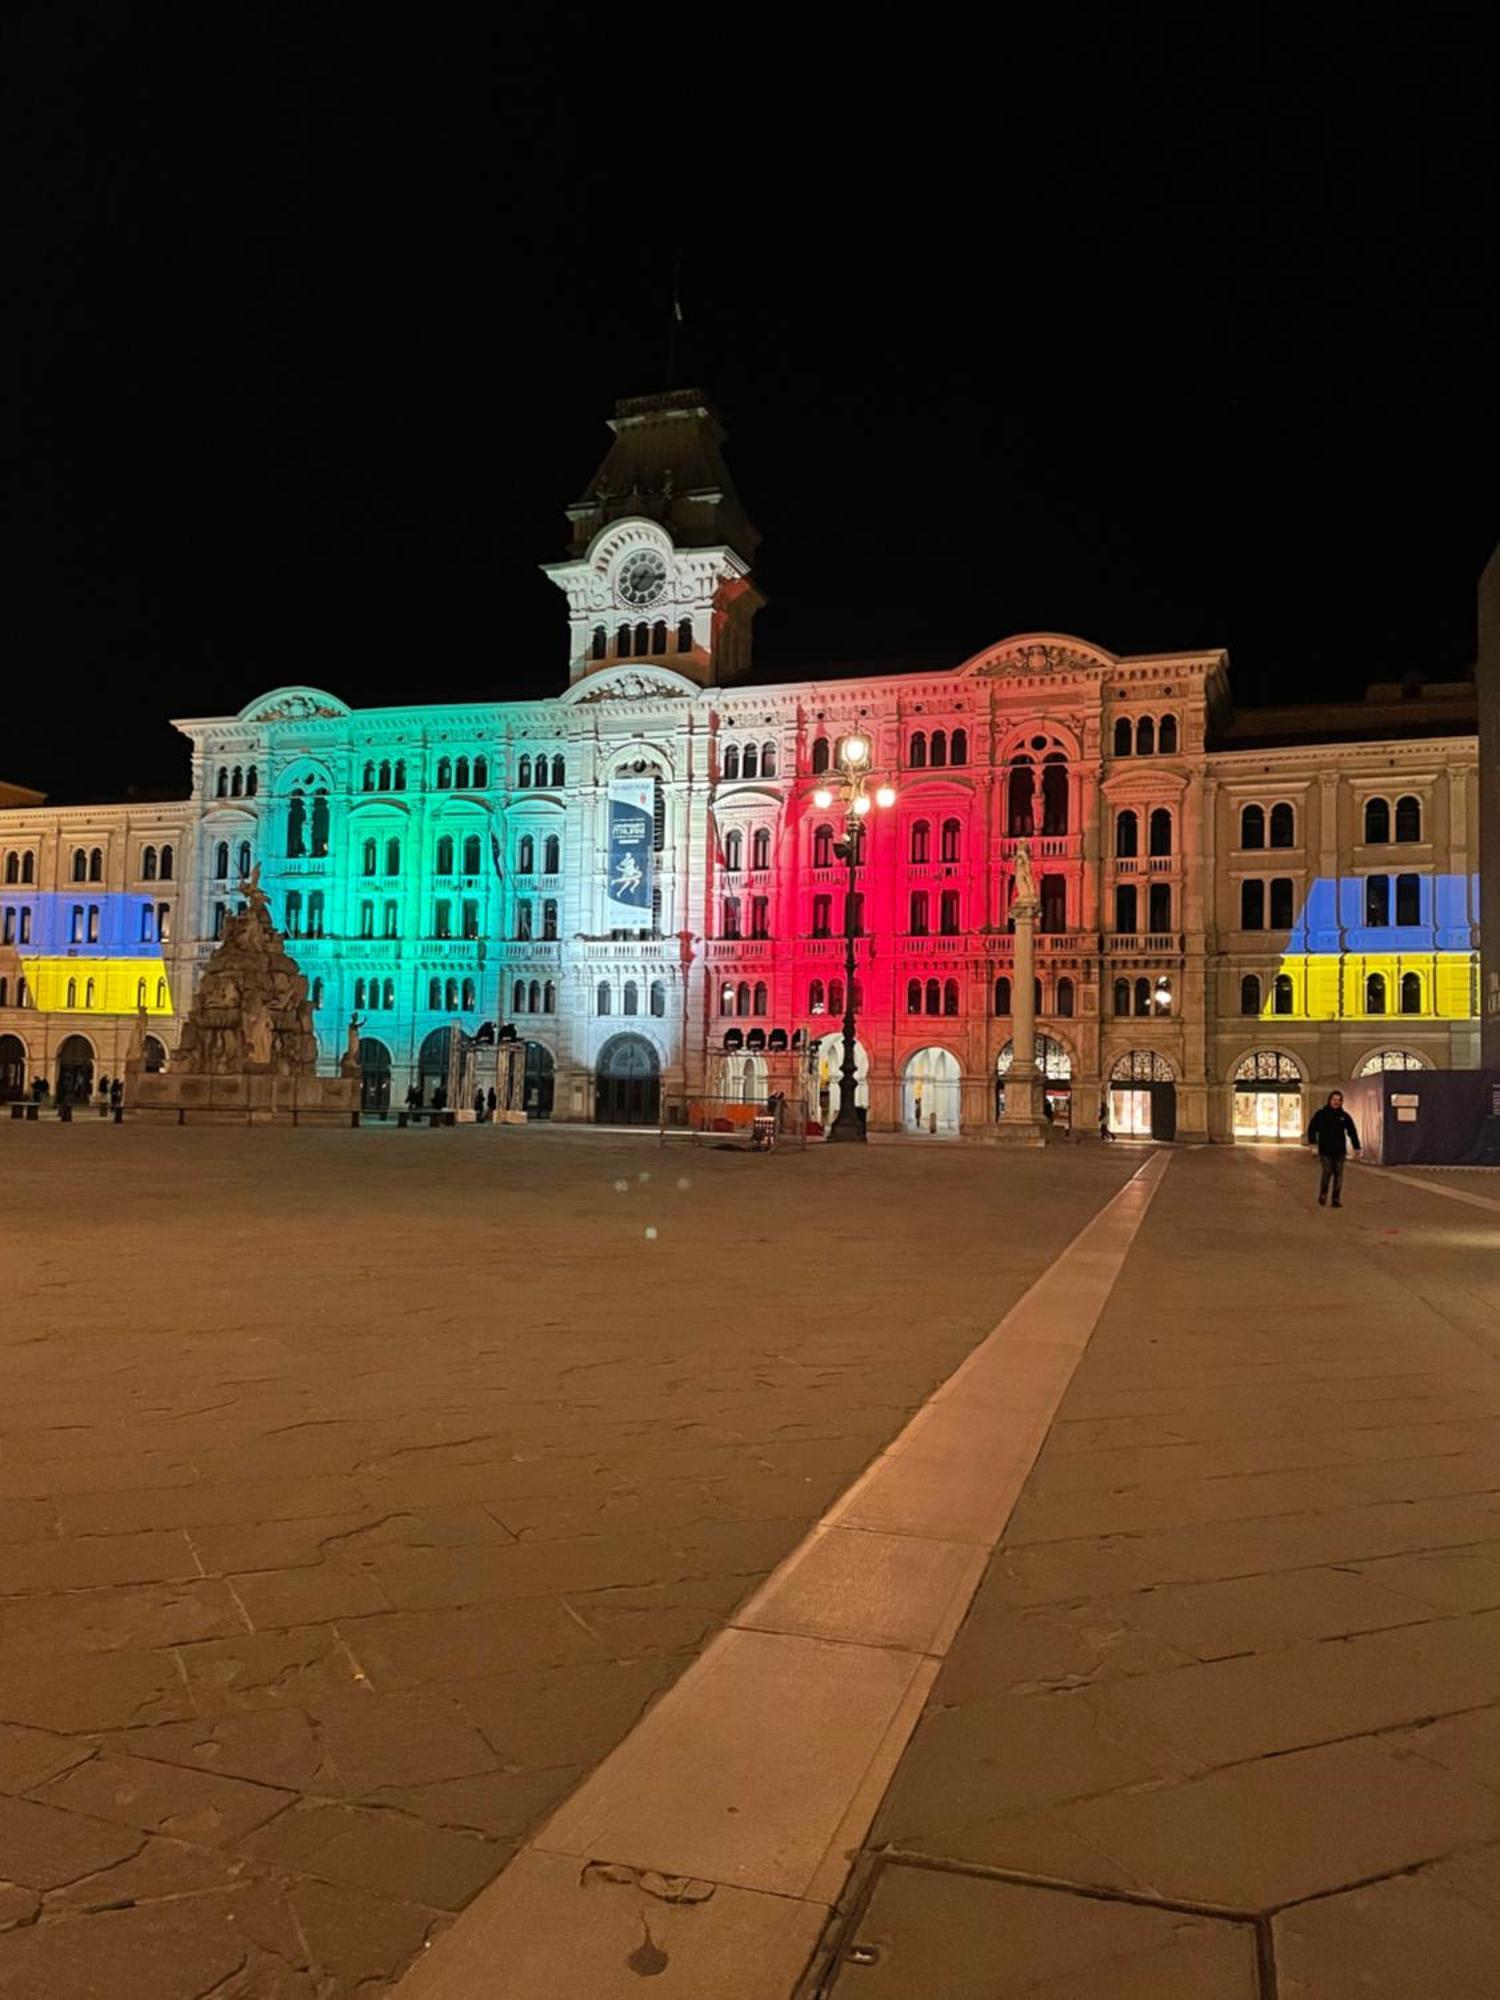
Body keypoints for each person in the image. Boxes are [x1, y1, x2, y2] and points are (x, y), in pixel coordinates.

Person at [1306, 1090, 1360, 1207]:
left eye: (1338, 1100)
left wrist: (1357, 1147)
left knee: (1339, 1175)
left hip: (1339, 1151)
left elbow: (1352, 1131)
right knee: (1327, 1172)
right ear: (1329, 1100)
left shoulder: (1344, 1116)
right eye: (1334, 1100)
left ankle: (1336, 1199)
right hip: (1325, 1150)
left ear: (1341, 1102)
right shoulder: (1321, 1114)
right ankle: (1323, 1194)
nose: (1336, 1102)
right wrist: (1313, 1144)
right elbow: (1312, 1129)